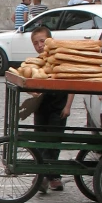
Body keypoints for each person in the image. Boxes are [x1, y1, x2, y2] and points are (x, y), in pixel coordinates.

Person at [28, 26, 73, 193]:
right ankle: (49, 176)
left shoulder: (60, 61)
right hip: (41, 107)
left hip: (59, 108)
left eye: (42, 41)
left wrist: (68, 106)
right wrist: (34, 93)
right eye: (35, 43)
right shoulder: (36, 64)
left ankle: (47, 177)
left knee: (54, 143)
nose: (39, 45)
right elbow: (30, 85)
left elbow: (71, 85)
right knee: (40, 141)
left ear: (50, 41)